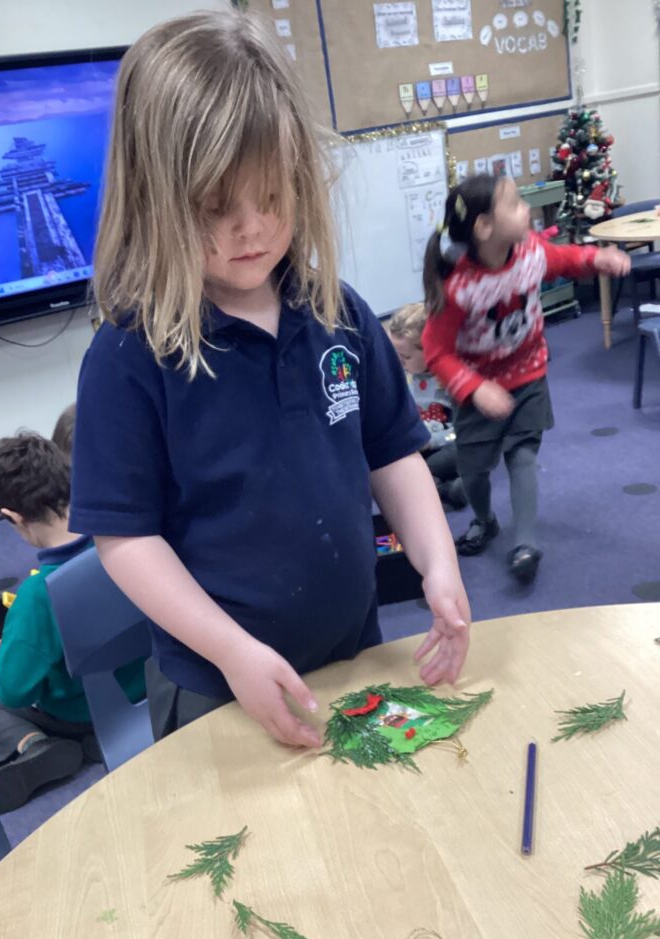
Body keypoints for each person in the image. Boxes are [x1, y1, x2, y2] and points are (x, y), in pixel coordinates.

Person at [70, 9, 470, 750]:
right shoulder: (129, 356)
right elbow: (125, 539)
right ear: (157, 199)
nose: (251, 228)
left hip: (351, 652)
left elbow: (392, 455)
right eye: (215, 206)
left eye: (273, 196)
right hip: (217, 684)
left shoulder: (337, 312)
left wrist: (438, 563)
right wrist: (232, 651)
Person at [421, 174, 629, 583]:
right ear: (484, 227)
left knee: (522, 455)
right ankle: (485, 520)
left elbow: (562, 259)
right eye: (515, 204)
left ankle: (526, 544)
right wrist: (475, 388)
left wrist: (596, 259)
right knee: (474, 472)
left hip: (528, 373)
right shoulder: (459, 286)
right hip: (478, 392)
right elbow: (437, 352)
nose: (527, 209)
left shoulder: (530, 252)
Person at [0, 433, 147, 812]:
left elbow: (14, 692)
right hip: (147, 690)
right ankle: (101, 738)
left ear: (13, 518)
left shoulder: (37, 596)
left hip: (76, 711)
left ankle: (36, 744)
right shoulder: (132, 546)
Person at [386, 304, 466, 512]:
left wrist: (431, 441)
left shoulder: (451, 380)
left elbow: (464, 430)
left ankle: (453, 491)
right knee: (398, 471)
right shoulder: (410, 377)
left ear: (430, 349)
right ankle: (447, 486)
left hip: (455, 445)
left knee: (420, 474)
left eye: (406, 357)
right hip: (426, 445)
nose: (401, 363)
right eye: (397, 357)